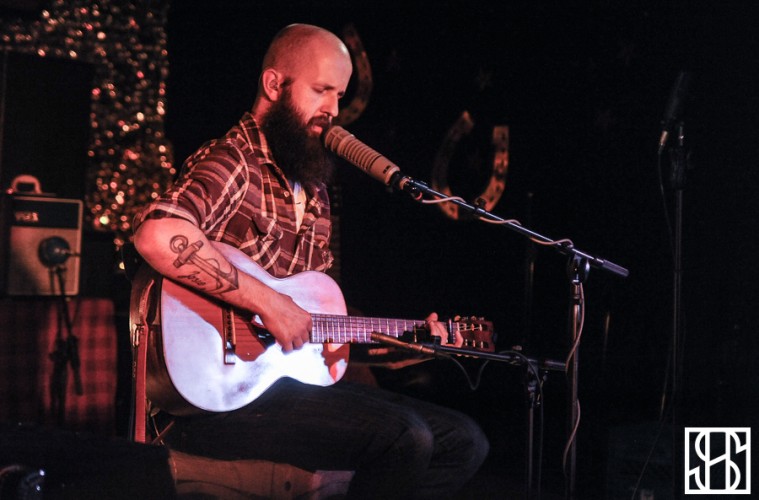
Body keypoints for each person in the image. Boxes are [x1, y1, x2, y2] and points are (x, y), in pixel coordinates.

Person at [133, 23, 489, 498]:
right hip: (209, 404)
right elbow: (158, 233)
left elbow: (313, 323)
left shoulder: (314, 187)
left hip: (280, 391)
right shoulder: (234, 160)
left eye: (339, 95)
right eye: (322, 90)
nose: (334, 111)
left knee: (464, 440)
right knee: (407, 436)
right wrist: (269, 304)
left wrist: (402, 340)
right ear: (274, 84)